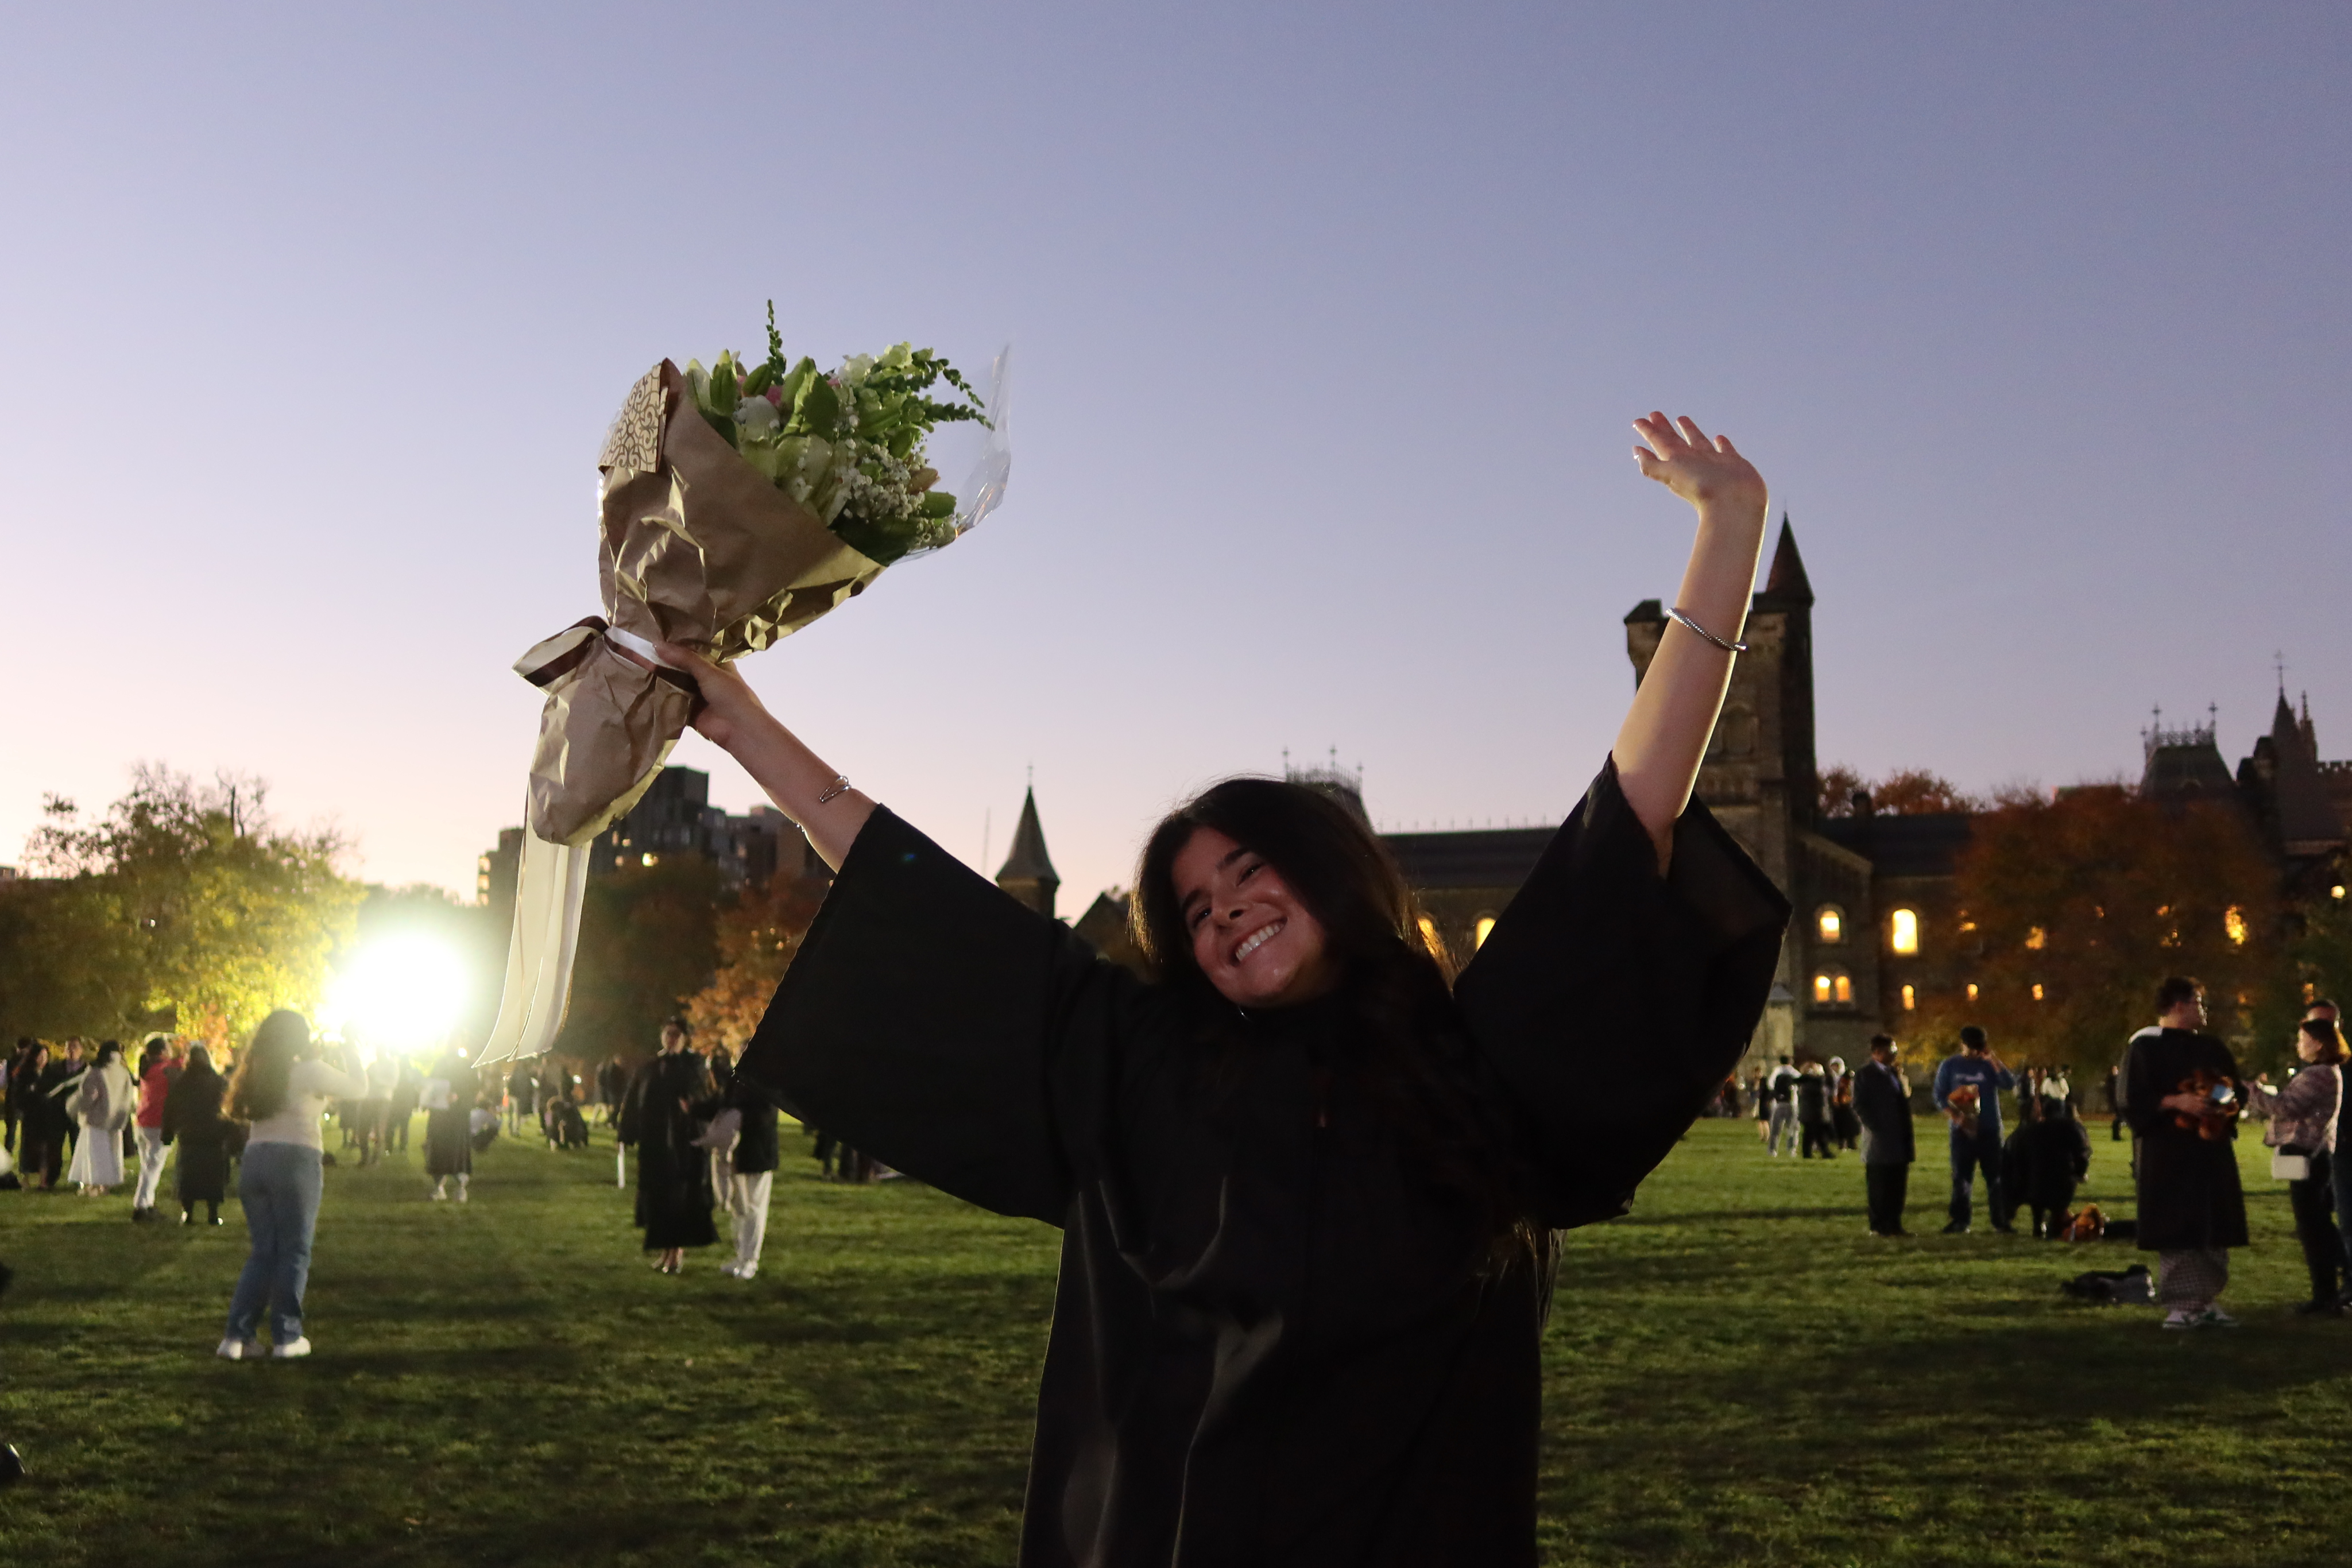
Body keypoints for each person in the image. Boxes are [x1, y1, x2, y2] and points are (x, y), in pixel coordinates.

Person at [652, 408, 1787, 1564]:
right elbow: (935, 903)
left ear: (1330, 877)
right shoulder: (1145, 1065)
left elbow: (1632, 809)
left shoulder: (1465, 1062)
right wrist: (745, 729)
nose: (1227, 909)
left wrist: (1726, 532)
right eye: (1195, 908)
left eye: (1250, 873)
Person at [218, 1011, 368, 1359]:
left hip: (255, 1159)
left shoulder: (258, 1072)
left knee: (263, 1251)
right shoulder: (309, 1071)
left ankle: (236, 1337)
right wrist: (351, 1049)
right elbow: (359, 1088)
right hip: (296, 1158)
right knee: (295, 1251)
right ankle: (287, 1337)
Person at [2119, 976, 2249, 1329]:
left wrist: (2218, 1105)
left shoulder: (2212, 1048)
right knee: (2178, 1226)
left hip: (2210, 1151)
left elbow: (2234, 1088)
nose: (2203, 1010)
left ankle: (2205, 1301)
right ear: (2179, 1004)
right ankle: (2180, 1305)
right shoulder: (2146, 1047)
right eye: (2198, 1002)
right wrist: (2176, 1101)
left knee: (2212, 1225)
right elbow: (2132, 1098)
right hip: (2169, 1154)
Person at [2243, 1017, 2346, 1315]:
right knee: (2317, 1225)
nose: (2298, 1044)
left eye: (2301, 1039)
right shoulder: (2328, 1072)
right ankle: (2331, 1290)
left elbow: (2287, 1107)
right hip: (2313, 1153)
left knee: (2312, 1227)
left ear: (2317, 1042)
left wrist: (2253, 1091)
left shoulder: (2317, 1074)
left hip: (2306, 1154)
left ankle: (2325, 1295)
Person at [620, 1020, 721, 1273]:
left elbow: (699, 1098)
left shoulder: (694, 1065)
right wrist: (627, 1131)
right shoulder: (651, 1067)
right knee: (659, 1200)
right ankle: (666, 1251)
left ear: (684, 1038)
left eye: (676, 1035)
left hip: (684, 1145)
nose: (671, 1039)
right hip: (656, 1144)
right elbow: (635, 1099)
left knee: (680, 1199)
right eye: (667, 1034)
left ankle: (676, 1254)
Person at [1933, 1025, 2017, 1234]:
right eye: (1972, 1047)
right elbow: (1939, 1095)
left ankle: (2001, 1221)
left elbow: (2009, 1083)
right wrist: (1956, 1117)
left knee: (1996, 1178)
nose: (1975, 1052)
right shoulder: (1951, 1065)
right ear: (1963, 1045)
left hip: (1990, 1129)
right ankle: (1961, 1220)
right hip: (1962, 1130)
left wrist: (1994, 1061)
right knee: (1962, 1177)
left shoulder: (1988, 1065)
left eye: (1978, 1047)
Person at [719, 1060, 780, 1280]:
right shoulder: (736, 1080)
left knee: (754, 1208)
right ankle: (740, 1256)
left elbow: (764, 1116)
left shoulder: (767, 1083)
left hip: (758, 1153)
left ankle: (750, 1260)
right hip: (738, 1153)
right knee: (738, 1207)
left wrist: (737, 1116)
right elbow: (723, 1105)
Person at [162, 1044, 234, 1225]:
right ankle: (213, 1213)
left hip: (189, 1134)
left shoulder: (182, 1082)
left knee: (188, 1174)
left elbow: (171, 1108)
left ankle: (188, 1213)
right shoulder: (218, 1081)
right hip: (213, 1134)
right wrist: (229, 1131)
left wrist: (168, 1131)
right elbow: (228, 1108)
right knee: (213, 1175)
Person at [2007, 1089, 2091, 1238]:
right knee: (2058, 1204)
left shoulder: (2030, 1131)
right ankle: (2056, 1225)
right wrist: (2080, 1173)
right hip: (2063, 1181)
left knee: (2038, 1198)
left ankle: (2038, 1224)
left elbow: (2019, 1159)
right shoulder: (2072, 1128)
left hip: (2035, 1183)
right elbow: (2082, 1153)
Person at [1854, 1033, 1914, 1237]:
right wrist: (1876, 1127)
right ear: (1878, 1052)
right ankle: (1879, 1225)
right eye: (1892, 1050)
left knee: (1897, 1184)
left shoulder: (1894, 1074)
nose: (1895, 1054)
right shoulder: (1865, 1075)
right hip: (1879, 1141)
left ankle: (1895, 1223)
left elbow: (1903, 1100)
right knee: (1880, 1185)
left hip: (1899, 1138)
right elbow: (1859, 1104)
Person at [67, 1040, 134, 1195]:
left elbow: (88, 1097)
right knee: (112, 1153)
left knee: (96, 1155)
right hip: (116, 1120)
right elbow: (128, 1097)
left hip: (96, 1120)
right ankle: (107, 1185)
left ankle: (95, 1185)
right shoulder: (123, 1072)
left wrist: (76, 1109)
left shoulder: (96, 1072)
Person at [130, 1036, 177, 1219]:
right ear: (162, 1052)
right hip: (158, 1123)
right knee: (153, 1168)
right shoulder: (165, 1071)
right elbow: (177, 1070)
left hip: (142, 1121)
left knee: (147, 1166)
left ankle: (147, 1203)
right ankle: (142, 1205)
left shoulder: (147, 1070)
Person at [421, 1048, 478, 1202]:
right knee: (439, 1150)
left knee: (458, 1152)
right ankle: (439, 1187)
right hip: (440, 1116)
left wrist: (459, 1097)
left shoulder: (468, 1067)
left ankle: (461, 1188)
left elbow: (474, 1090)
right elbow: (431, 1085)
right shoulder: (440, 1064)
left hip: (458, 1117)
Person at [10, 1043, 57, 1191]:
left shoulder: (50, 1073)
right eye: (41, 1056)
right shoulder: (24, 1073)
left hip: (47, 1117)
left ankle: (43, 1181)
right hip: (31, 1117)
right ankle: (25, 1180)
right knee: (28, 1149)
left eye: (46, 1056)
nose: (44, 1059)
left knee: (45, 1150)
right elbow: (18, 1097)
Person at [1795, 1061, 1836, 1159]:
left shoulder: (1805, 1083)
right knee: (1816, 1134)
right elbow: (1822, 1098)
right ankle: (1823, 1153)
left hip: (1808, 1113)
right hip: (1815, 1113)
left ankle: (1812, 1153)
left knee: (1811, 1134)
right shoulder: (1817, 1084)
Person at [1765, 1055, 1800, 1156]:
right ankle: (1791, 1150)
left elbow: (1770, 1084)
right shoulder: (1794, 1072)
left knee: (1776, 1129)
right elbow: (1800, 1083)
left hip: (1778, 1104)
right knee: (1793, 1128)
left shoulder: (1777, 1071)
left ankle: (1772, 1150)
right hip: (1792, 1103)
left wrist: (1777, 1094)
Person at [1828, 1055, 1860, 1151]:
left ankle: (1852, 1144)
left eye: (1837, 1066)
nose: (1835, 1068)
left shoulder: (1848, 1076)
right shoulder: (1830, 1078)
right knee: (1838, 1125)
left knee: (1850, 1125)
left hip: (1847, 1104)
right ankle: (1841, 1144)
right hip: (1836, 1105)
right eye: (1833, 1066)